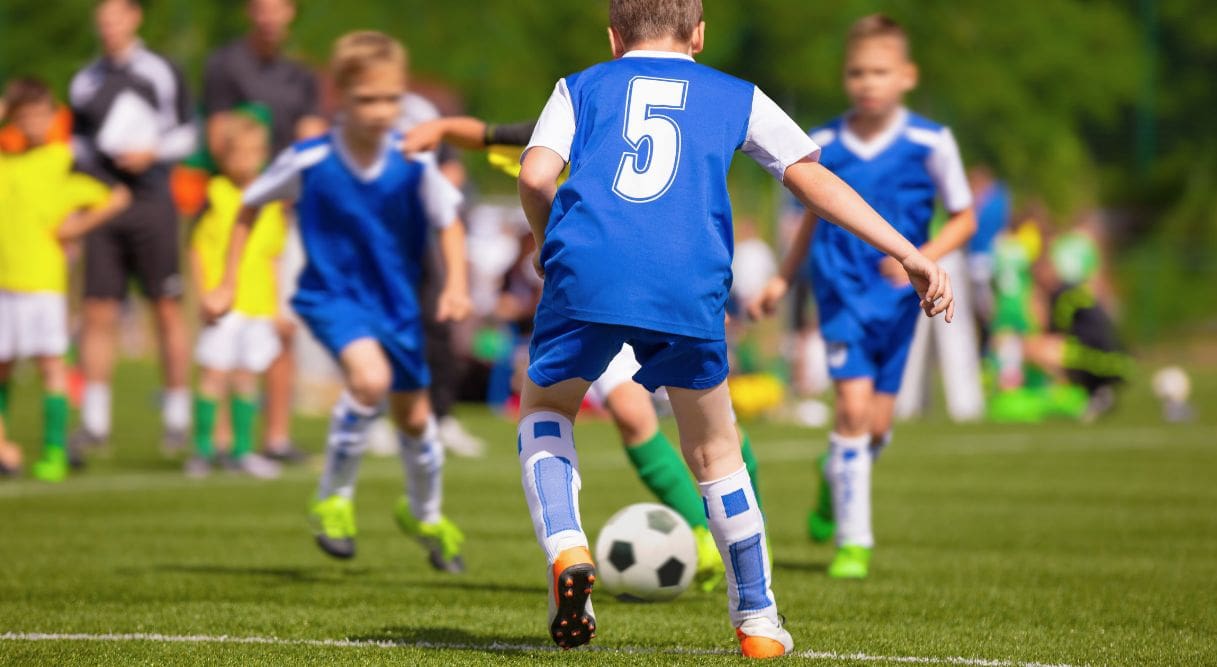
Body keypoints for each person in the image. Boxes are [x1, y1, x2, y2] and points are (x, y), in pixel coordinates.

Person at [518, 0, 954, 656]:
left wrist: (546, 240)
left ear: (613, 37)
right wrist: (908, 251)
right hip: (686, 277)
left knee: (548, 408)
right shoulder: (734, 94)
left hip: (588, 267)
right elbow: (808, 178)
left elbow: (533, 174)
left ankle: (566, 545)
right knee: (716, 451)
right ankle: (756, 618)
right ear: (698, 34)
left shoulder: (578, 86)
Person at [406, 114, 747, 592]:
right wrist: (438, 129)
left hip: (664, 294)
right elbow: (489, 134)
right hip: (591, 299)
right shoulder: (568, 125)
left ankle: (744, 532)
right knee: (631, 413)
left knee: (713, 423)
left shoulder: (676, 128)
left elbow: (697, 211)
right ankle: (700, 530)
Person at [204, 31, 472, 571]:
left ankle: (425, 514)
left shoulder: (413, 161)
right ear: (340, 99)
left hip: (395, 305)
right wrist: (227, 282)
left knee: (416, 419)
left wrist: (456, 285)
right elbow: (248, 207)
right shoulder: (310, 159)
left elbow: (448, 223)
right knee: (368, 380)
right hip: (331, 296)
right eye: (367, 99)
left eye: (392, 98)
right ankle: (332, 499)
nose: (381, 111)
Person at [764, 14, 976, 579]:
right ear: (845, 77)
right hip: (841, 297)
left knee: (877, 426)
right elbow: (811, 213)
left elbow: (965, 218)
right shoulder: (824, 143)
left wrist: (920, 257)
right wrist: (785, 278)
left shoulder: (930, 142)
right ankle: (854, 544)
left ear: (907, 76)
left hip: (901, 305)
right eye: (858, 72)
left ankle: (835, 475)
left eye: (881, 71)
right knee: (852, 410)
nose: (868, 82)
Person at [69, 0, 197, 459]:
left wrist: (151, 153)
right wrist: (97, 185)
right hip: (105, 207)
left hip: (152, 202)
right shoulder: (85, 80)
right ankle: (95, 422)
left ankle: (178, 418)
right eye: (102, 20)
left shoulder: (162, 72)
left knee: (165, 307)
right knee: (97, 310)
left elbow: (188, 133)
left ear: (134, 18)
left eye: (116, 18)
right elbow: (78, 142)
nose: (109, 28)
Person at [202, 0, 327, 463]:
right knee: (225, 323)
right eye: (261, 6)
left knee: (282, 326)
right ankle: (215, 439)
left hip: (288, 214)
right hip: (237, 208)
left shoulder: (301, 76)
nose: (269, 15)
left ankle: (275, 437)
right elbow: (219, 137)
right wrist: (253, 175)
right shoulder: (224, 65)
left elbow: (311, 138)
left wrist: (295, 183)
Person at [0, 78, 131, 482]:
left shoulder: (64, 159)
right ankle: (3, 449)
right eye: (25, 115)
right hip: (5, 282)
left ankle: (55, 449)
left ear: (54, 117)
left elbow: (117, 196)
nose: (34, 122)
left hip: (45, 283)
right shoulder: (6, 162)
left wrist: (77, 228)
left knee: (51, 364)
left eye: (41, 114)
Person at [186, 114, 287, 479]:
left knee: (247, 376)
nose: (246, 160)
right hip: (224, 306)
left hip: (258, 304)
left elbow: (272, 256)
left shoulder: (272, 201)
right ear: (223, 156)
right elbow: (197, 249)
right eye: (238, 153)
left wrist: (276, 307)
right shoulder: (215, 194)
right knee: (214, 373)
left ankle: (242, 450)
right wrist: (206, 294)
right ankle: (202, 449)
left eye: (254, 152)